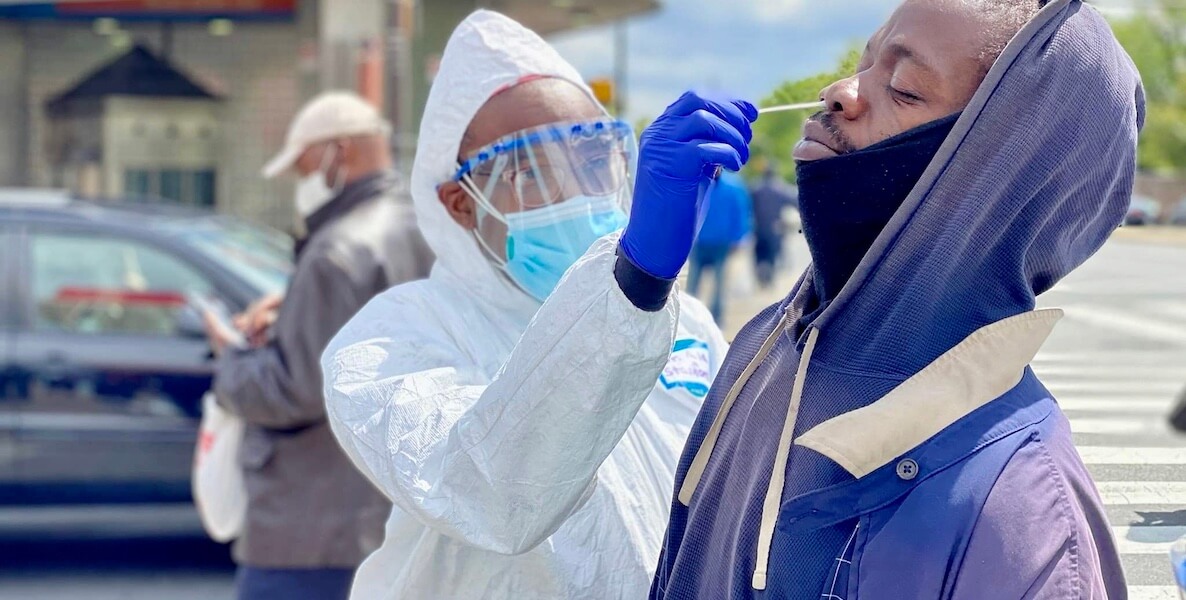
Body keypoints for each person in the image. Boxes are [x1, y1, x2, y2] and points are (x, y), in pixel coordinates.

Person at [650, 1, 1143, 598]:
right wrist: (637, 276)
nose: (840, 92)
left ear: (989, 176)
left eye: (905, 89)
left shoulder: (1017, 507)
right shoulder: (767, 343)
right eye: (864, 62)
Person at [319, 11, 751, 599]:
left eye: (593, 159)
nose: (575, 189)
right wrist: (634, 282)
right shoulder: (393, 339)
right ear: (459, 204)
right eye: (530, 170)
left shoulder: (686, 321)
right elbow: (490, 497)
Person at [202, 91, 434, 600]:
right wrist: (291, 315)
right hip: (385, 513)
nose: (298, 183)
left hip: (311, 524)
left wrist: (232, 357)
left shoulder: (336, 250)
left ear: (338, 153)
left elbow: (298, 389)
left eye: (302, 165)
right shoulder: (420, 223)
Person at [687, 169, 753, 323]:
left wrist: (739, 238)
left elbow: (741, 213)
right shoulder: (696, 183)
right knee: (693, 283)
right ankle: (688, 318)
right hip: (698, 242)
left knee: (719, 285)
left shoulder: (734, 186)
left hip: (722, 244)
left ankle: (716, 321)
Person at [749, 165, 798, 288]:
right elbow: (795, 201)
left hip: (758, 226)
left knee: (759, 252)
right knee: (772, 253)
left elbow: (746, 205)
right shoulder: (780, 188)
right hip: (774, 227)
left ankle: (760, 276)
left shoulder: (755, 188)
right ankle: (769, 277)